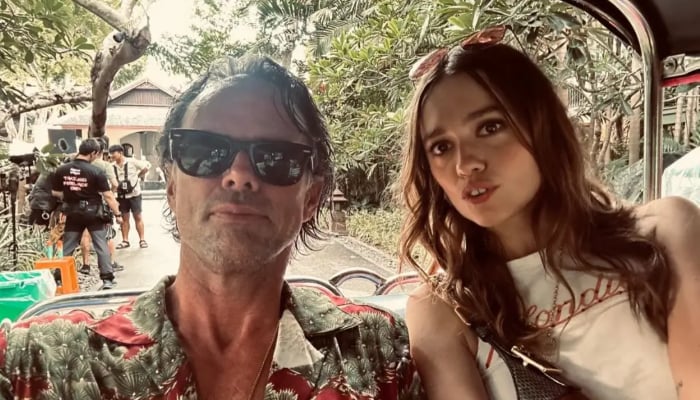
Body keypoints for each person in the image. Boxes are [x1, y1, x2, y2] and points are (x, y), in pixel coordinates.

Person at [0, 55, 424, 399]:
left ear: (312, 197)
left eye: (275, 157)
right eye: (204, 151)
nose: (238, 175)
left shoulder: (378, 350)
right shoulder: (38, 360)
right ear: (171, 185)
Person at [398, 29, 700, 400]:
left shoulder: (665, 231)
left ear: (542, 128)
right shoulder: (444, 310)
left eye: (490, 127)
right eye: (441, 147)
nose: (466, 164)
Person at [50, 138, 123, 290]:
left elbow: (56, 193)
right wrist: (117, 214)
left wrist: (71, 195)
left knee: (68, 246)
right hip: (93, 213)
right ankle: (107, 279)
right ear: (93, 153)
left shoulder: (62, 170)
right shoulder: (96, 171)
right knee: (100, 244)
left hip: (73, 213)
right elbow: (108, 196)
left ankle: (59, 278)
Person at [79, 137, 124, 274]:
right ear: (101, 151)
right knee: (107, 234)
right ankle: (110, 263)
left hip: (83, 203)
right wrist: (111, 194)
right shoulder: (105, 166)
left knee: (85, 234)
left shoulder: (81, 165)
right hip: (102, 204)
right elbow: (115, 184)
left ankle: (86, 265)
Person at [109, 143, 150, 249]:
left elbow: (146, 168)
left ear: (120, 152)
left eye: (113, 153)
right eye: (111, 153)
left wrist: (138, 176)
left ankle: (142, 240)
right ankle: (125, 240)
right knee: (124, 218)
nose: (111, 155)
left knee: (138, 216)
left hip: (135, 194)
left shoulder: (132, 161)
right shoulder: (111, 166)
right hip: (121, 196)